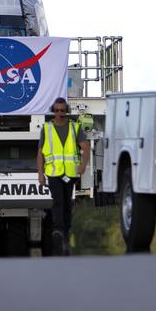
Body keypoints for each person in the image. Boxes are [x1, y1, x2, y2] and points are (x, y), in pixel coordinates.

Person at [37, 98, 89, 256]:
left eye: (62, 110)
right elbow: (40, 152)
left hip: (70, 173)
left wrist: (83, 165)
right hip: (53, 173)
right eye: (57, 110)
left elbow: (86, 147)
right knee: (58, 201)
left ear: (66, 111)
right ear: (53, 111)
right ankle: (58, 230)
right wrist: (40, 173)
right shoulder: (46, 129)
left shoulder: (75, 127)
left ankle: (65, 233)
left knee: (67, 204)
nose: (59, 113)